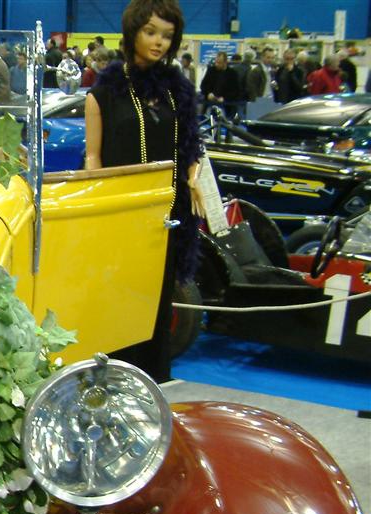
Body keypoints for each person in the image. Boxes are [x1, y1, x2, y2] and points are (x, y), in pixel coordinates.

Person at [85, 0, 204, 382]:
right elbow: (93, 157)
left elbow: (190, 145)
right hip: (120, 216)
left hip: (166, 217)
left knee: (157, 302)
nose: (158, 42)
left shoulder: (178, 92)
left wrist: (195, 178)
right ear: (132, 32)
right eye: (150, 32)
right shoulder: (104, 94)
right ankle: (114, 381)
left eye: (167, 36)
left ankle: (156, 384)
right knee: (119, 302)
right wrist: (97, 207)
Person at [201, 51, 242, 118]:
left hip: (226, 106)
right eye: (216, 62)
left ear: (225, 62)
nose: (216, 64)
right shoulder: (211, 70)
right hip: (210, 103)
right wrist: (208, 93)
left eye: (219, 63)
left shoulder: (232, 74)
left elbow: (236, 91)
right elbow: (203, 85)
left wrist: (225, 98)